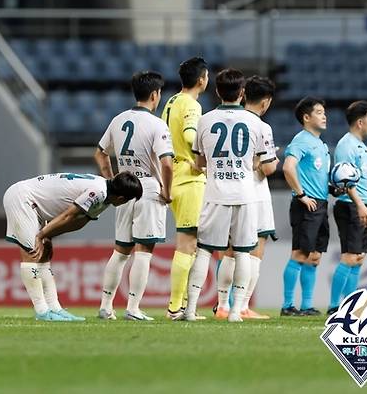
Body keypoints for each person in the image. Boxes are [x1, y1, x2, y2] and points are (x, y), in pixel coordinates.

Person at [183, 69, 272, 323]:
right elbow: (261, 162)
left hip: (214, 194)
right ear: (242, 93)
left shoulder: (205, 120)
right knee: (243, 253)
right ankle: (235, 311)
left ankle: (190, 311)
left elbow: (200, 161)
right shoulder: (259, 124)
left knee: (203, 252)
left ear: (218, 91)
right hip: (245, 194)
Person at [3, 171, 142, 321]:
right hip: (22, 197)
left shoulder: (105, 196)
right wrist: (41, 236)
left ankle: (54, 308)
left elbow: (79, 222)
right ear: (121, 198)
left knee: (44, 256)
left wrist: (48, 235)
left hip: (36, 204)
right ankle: (42, 310)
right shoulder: (98, 191)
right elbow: (68, 215)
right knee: (31, 252)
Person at [95, 71, 174, 321]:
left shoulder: (118, 120)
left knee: (120, 252)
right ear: (155, 94)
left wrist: (112, 183)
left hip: (125, 189)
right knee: (144, 251)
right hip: (148, 189)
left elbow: (100, 153)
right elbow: (167, 164)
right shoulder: (157, 124)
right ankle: (133, 307)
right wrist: (167, 191)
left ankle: (106, 306)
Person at [214, 76, 278, 320]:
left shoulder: (224, 119)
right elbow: (268, 168)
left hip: (224, 189)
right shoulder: (261, 126)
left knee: (229, 251)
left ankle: (222, 305)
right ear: (266, 102)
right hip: (255, 193)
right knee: (254, 250)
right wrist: (267, 160)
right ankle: (241, 306)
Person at [160, 57, 209, 320]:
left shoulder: (170, 102)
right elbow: (191, 135)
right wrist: (199, 159)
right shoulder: (192, 104)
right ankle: (175, 307)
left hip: (173, 178)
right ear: (202, 79)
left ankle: (180, 305)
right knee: (187, 244)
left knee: (189, 243)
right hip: (189, 180)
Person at [281, 97, 330, 316]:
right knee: (300, 254)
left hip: (321, 203)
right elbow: (288, 167)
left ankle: (307, 305)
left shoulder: (320, 143)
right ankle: (287, 305)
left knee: (315, 256)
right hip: (306, 204)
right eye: (319, 112)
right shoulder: (301, 140)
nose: (324, 115)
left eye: (324, 112)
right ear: (306, 117)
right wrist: (301, 195)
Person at [328, 101, 367, 314]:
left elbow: (364, 182)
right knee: (349, 256)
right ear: (360, 122)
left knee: (358, 258)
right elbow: (345, 181)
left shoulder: (361, 147)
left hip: (361, 206)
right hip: (350, 206)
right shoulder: (346, 145)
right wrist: (360, 206)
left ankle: (351, 304)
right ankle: (333, 305)